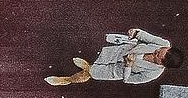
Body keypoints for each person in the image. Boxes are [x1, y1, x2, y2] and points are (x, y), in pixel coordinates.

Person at [44, 29, 178, 87]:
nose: (156, 51)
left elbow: (128, 80)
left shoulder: (153, 73)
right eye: (159, 50)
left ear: (162, 63)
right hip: (116, 52)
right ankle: (86, 65)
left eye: (157, 55)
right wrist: (135, 32)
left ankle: (67, 80)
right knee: (94, 54)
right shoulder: (164, 43)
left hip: (115, 71)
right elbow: (144, 36)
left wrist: (128, 65)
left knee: (90, 73)